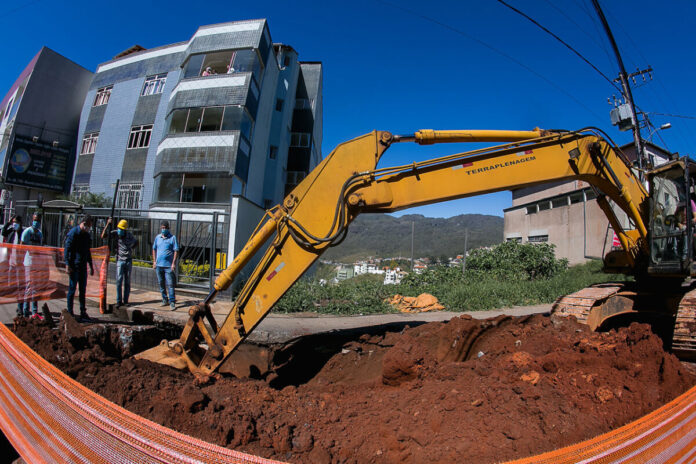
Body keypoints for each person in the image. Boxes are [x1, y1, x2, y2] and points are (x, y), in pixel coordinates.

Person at [101, 218, 138, 307]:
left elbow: (136, 242)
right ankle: (118, 301)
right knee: (119, 281)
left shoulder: (129, 236)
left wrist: (132, 247)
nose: (119, 231)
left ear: (125, 229)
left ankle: (125, 301)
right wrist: (107, 224)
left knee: (127, 281)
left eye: (121, 229)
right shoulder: (116, 233)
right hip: (120, 260)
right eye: (119, 229)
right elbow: (103, 236)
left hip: (128, 260)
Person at [64, 215, 94, 321]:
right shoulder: (73, 233)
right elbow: (67, 249)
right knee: (72, 289)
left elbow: (87, 251)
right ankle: (70, 312)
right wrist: (67, 264)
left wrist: (90, 265)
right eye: (88, 226)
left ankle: (83, 312)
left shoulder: (86, 236)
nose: (89, 228)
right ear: (84, 223)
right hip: (74, 266)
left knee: (82, 290)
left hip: (82, 267)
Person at [21, 213, 44, 319]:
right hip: (28, 263)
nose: (37, 222)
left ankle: (34, 312)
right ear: (32, 220)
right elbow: (21, 248)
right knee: (29, 287)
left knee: (36, 288)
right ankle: (26, 311)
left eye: (38, 220)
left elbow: (41, 248)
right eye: (35, 220)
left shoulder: (39, 234)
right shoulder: (27, 232)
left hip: (37, 263)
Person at [152, 220, 179, 310]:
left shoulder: (172, 238)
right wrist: (154, 261)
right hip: (159, 265)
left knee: (170, 284)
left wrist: (173, 263)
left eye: (165, 228)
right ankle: (164, 299)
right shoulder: (158, 238)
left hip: (168, 266)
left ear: (168, 228)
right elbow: (154, 249)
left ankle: (172, 301)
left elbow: (176, 250)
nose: (163, 229)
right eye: (162, 228)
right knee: (161, 283)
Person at [2, 215, 24, 316]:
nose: (14, 224)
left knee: (20, 285)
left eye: (16, 222)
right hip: (11, 262)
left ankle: (20, 307)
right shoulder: (11, 231)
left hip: (20, 263)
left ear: (20, 223)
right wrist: (8, 223)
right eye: (13, 222)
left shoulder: (23, 233)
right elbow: (3, 232)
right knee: (11, 284)